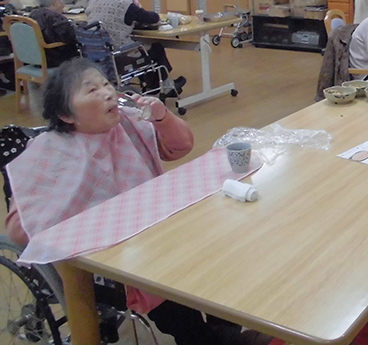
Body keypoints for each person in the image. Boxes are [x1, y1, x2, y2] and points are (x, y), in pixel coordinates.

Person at [4, 59, 270, 345]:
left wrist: (161, 116)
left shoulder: (129, 123)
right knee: (170, 291)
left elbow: (179, 147)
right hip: (104, 258)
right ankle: (203, 338)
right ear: (66, 115)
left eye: (106, 84)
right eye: (91, 90)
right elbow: (20, 230)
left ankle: (223, 325)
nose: (107, 92)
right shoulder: (50, 151)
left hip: (154, 229)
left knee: (215, 243)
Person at [86, 0, 185, 96]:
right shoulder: (126, 6)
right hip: (120, 54)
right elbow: (153, 18)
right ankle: (161, 87)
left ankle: (163, 85)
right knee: (155, 48)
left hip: (98, 53)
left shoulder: (92, 3)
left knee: (146, 50)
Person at [29, 0, 80, 67]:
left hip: (34, 59)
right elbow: (71, 38)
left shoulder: (32, 15)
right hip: (53, 60)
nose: (64, 5)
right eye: (63, 1)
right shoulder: (54, 18)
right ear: (56, 1)